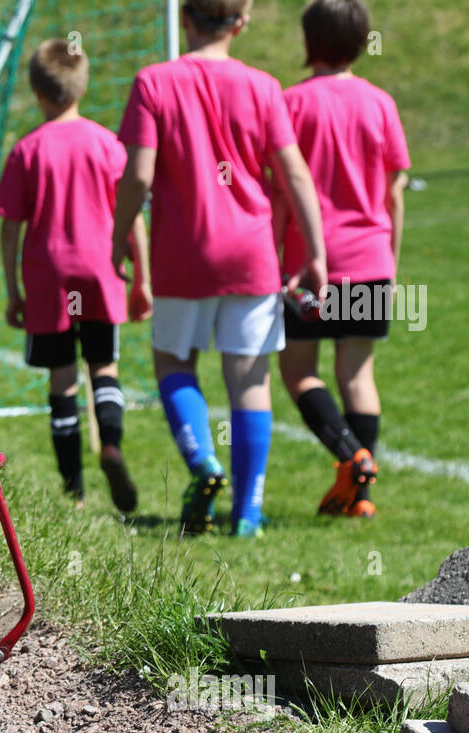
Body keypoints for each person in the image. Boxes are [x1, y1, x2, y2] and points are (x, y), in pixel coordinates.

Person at [112, 0, 327, 538]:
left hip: (183, 252)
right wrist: (317, 254)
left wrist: (118, 241)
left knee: (173, 362)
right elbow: (295, 174)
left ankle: (205, 464)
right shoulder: (262, 86)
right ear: (243, 21)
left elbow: (137, 175)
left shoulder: (154, 81)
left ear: (184, 17)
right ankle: (248, 514)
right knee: (249, 380)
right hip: (252, 252)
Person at [0, 39, 149, 514]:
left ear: (38, 92)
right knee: (103, 366)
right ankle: (112, 446)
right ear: (83, 87)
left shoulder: (27, 150)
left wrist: (13, 291)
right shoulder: (107, 143)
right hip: (100, 270)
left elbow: (10, 229)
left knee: (62, 380)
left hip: (48, 277)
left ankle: (74, 493)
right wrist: (142, 278)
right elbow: (133, 215)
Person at [274, 0, 409, 520]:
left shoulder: (291, 103)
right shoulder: (380, 102)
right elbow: (395, 192)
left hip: (309, 266)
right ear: (361, 43)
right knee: (358, 374)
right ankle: (363, 495)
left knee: (298, 370)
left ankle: (352, 458)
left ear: (309, 44)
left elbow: (284, 192)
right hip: (372, 257)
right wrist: (391, 264)